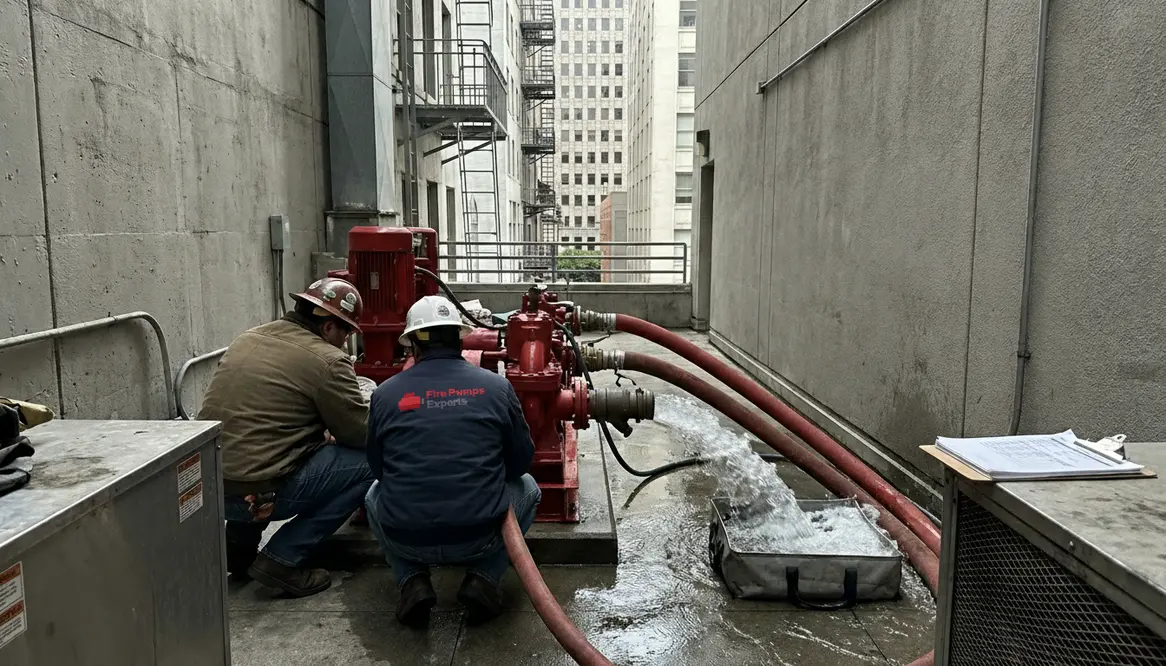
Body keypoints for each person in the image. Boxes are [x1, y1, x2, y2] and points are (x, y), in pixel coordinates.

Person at [364, 295, 540, 628]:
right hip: (478, 535)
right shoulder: (496, 387)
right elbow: (521, 463)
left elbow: (378, 469)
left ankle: (411, 580)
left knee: (373, 493)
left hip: (406, 537)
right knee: (528, 488)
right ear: (461, 337)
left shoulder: (384, 394)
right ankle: (483, 579)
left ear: (414, 341)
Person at [200, 277, 373, 598]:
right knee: (373, 461)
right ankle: (282, 558)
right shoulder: (328, 360)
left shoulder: (248, 338)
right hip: (260, 498)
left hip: (209, 489)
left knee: (255, 450)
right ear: (327, 328)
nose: (346, 341)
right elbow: (360, 434)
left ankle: (238, 550)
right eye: (346, 332)